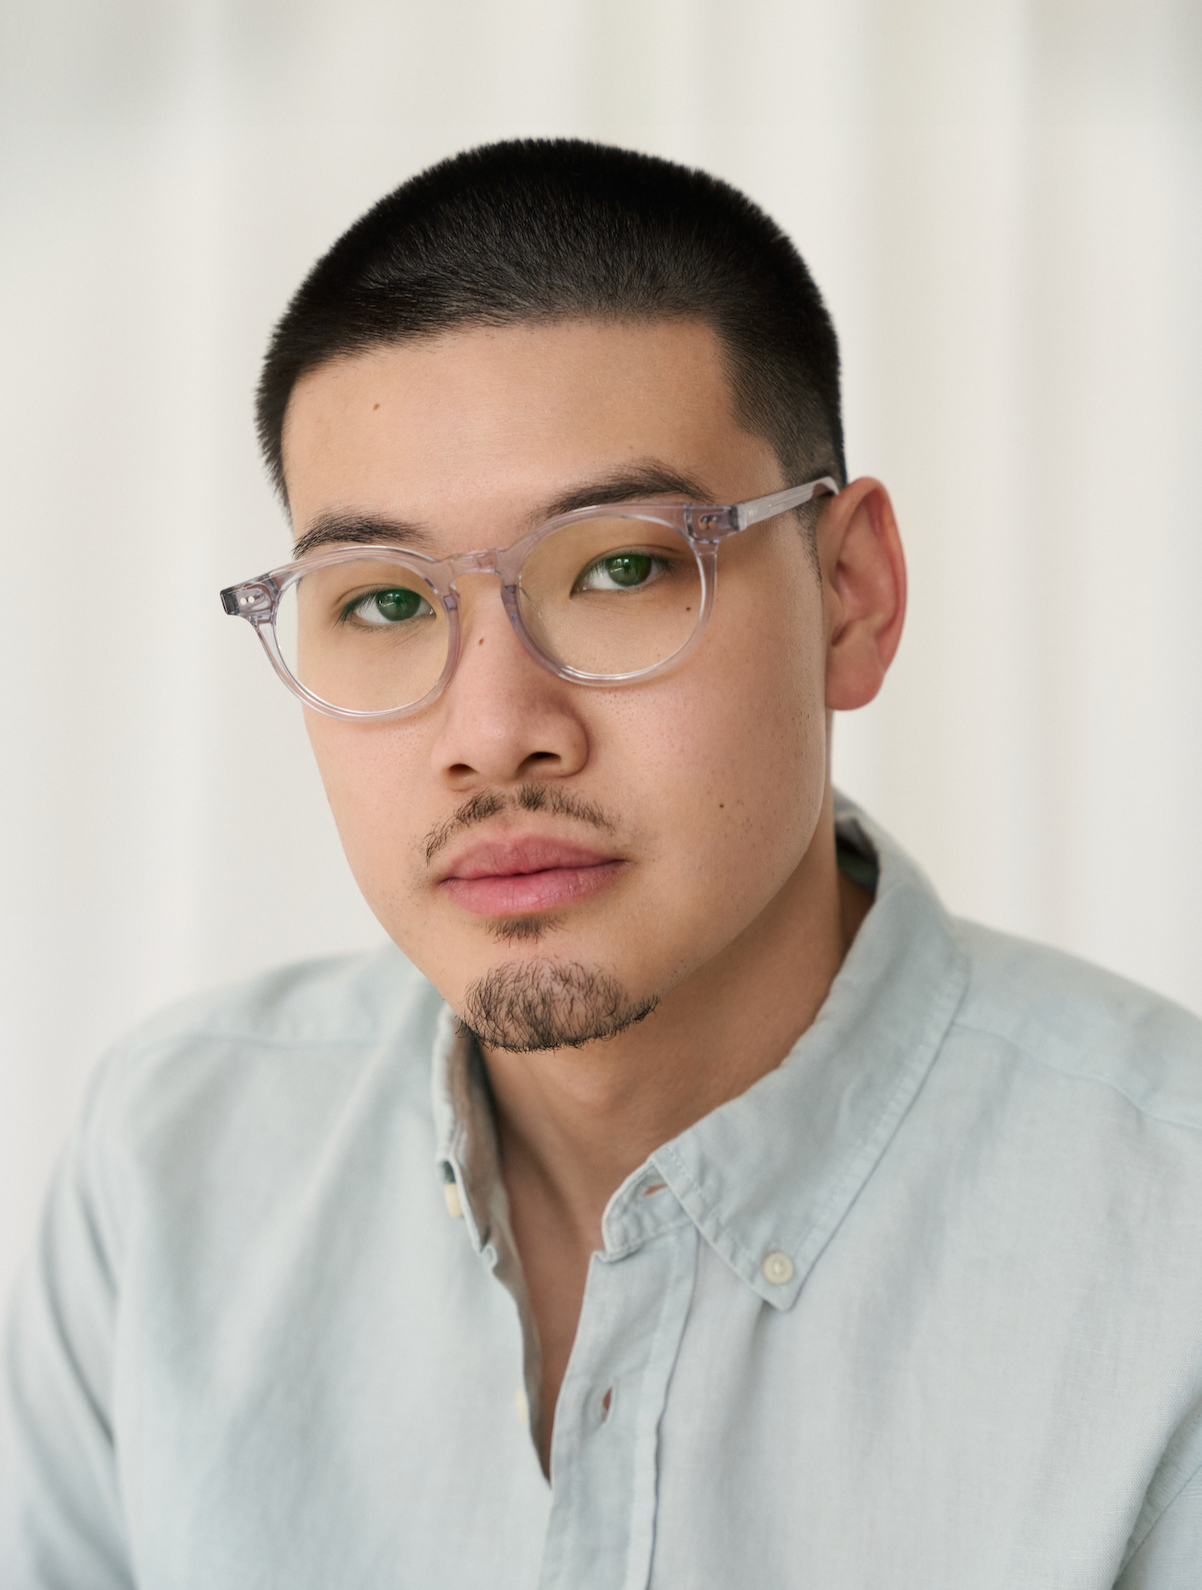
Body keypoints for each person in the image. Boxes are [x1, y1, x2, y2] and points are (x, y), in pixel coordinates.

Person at [3, 139, 1201, 1589]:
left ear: (849, 596)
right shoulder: (167, 1168)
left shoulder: (1166, 1236)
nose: (494, 734)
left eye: (622, 568)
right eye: (382, 599)